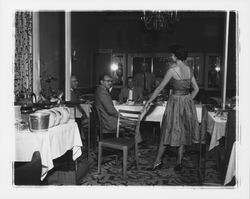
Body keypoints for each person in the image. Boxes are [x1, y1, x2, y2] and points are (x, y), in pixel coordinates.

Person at [142, 45, 199, 172]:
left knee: (166, 132)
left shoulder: (173, 69)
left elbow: (159, 88)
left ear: (176, 56)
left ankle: (157, 161)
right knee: (182, 132)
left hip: (174, 104)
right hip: (186, 104)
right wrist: (188, 99)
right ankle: (179, 162)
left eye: (172, 54)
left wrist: (149, 102)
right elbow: (196, 89)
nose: (171, 56)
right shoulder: (189, 69)